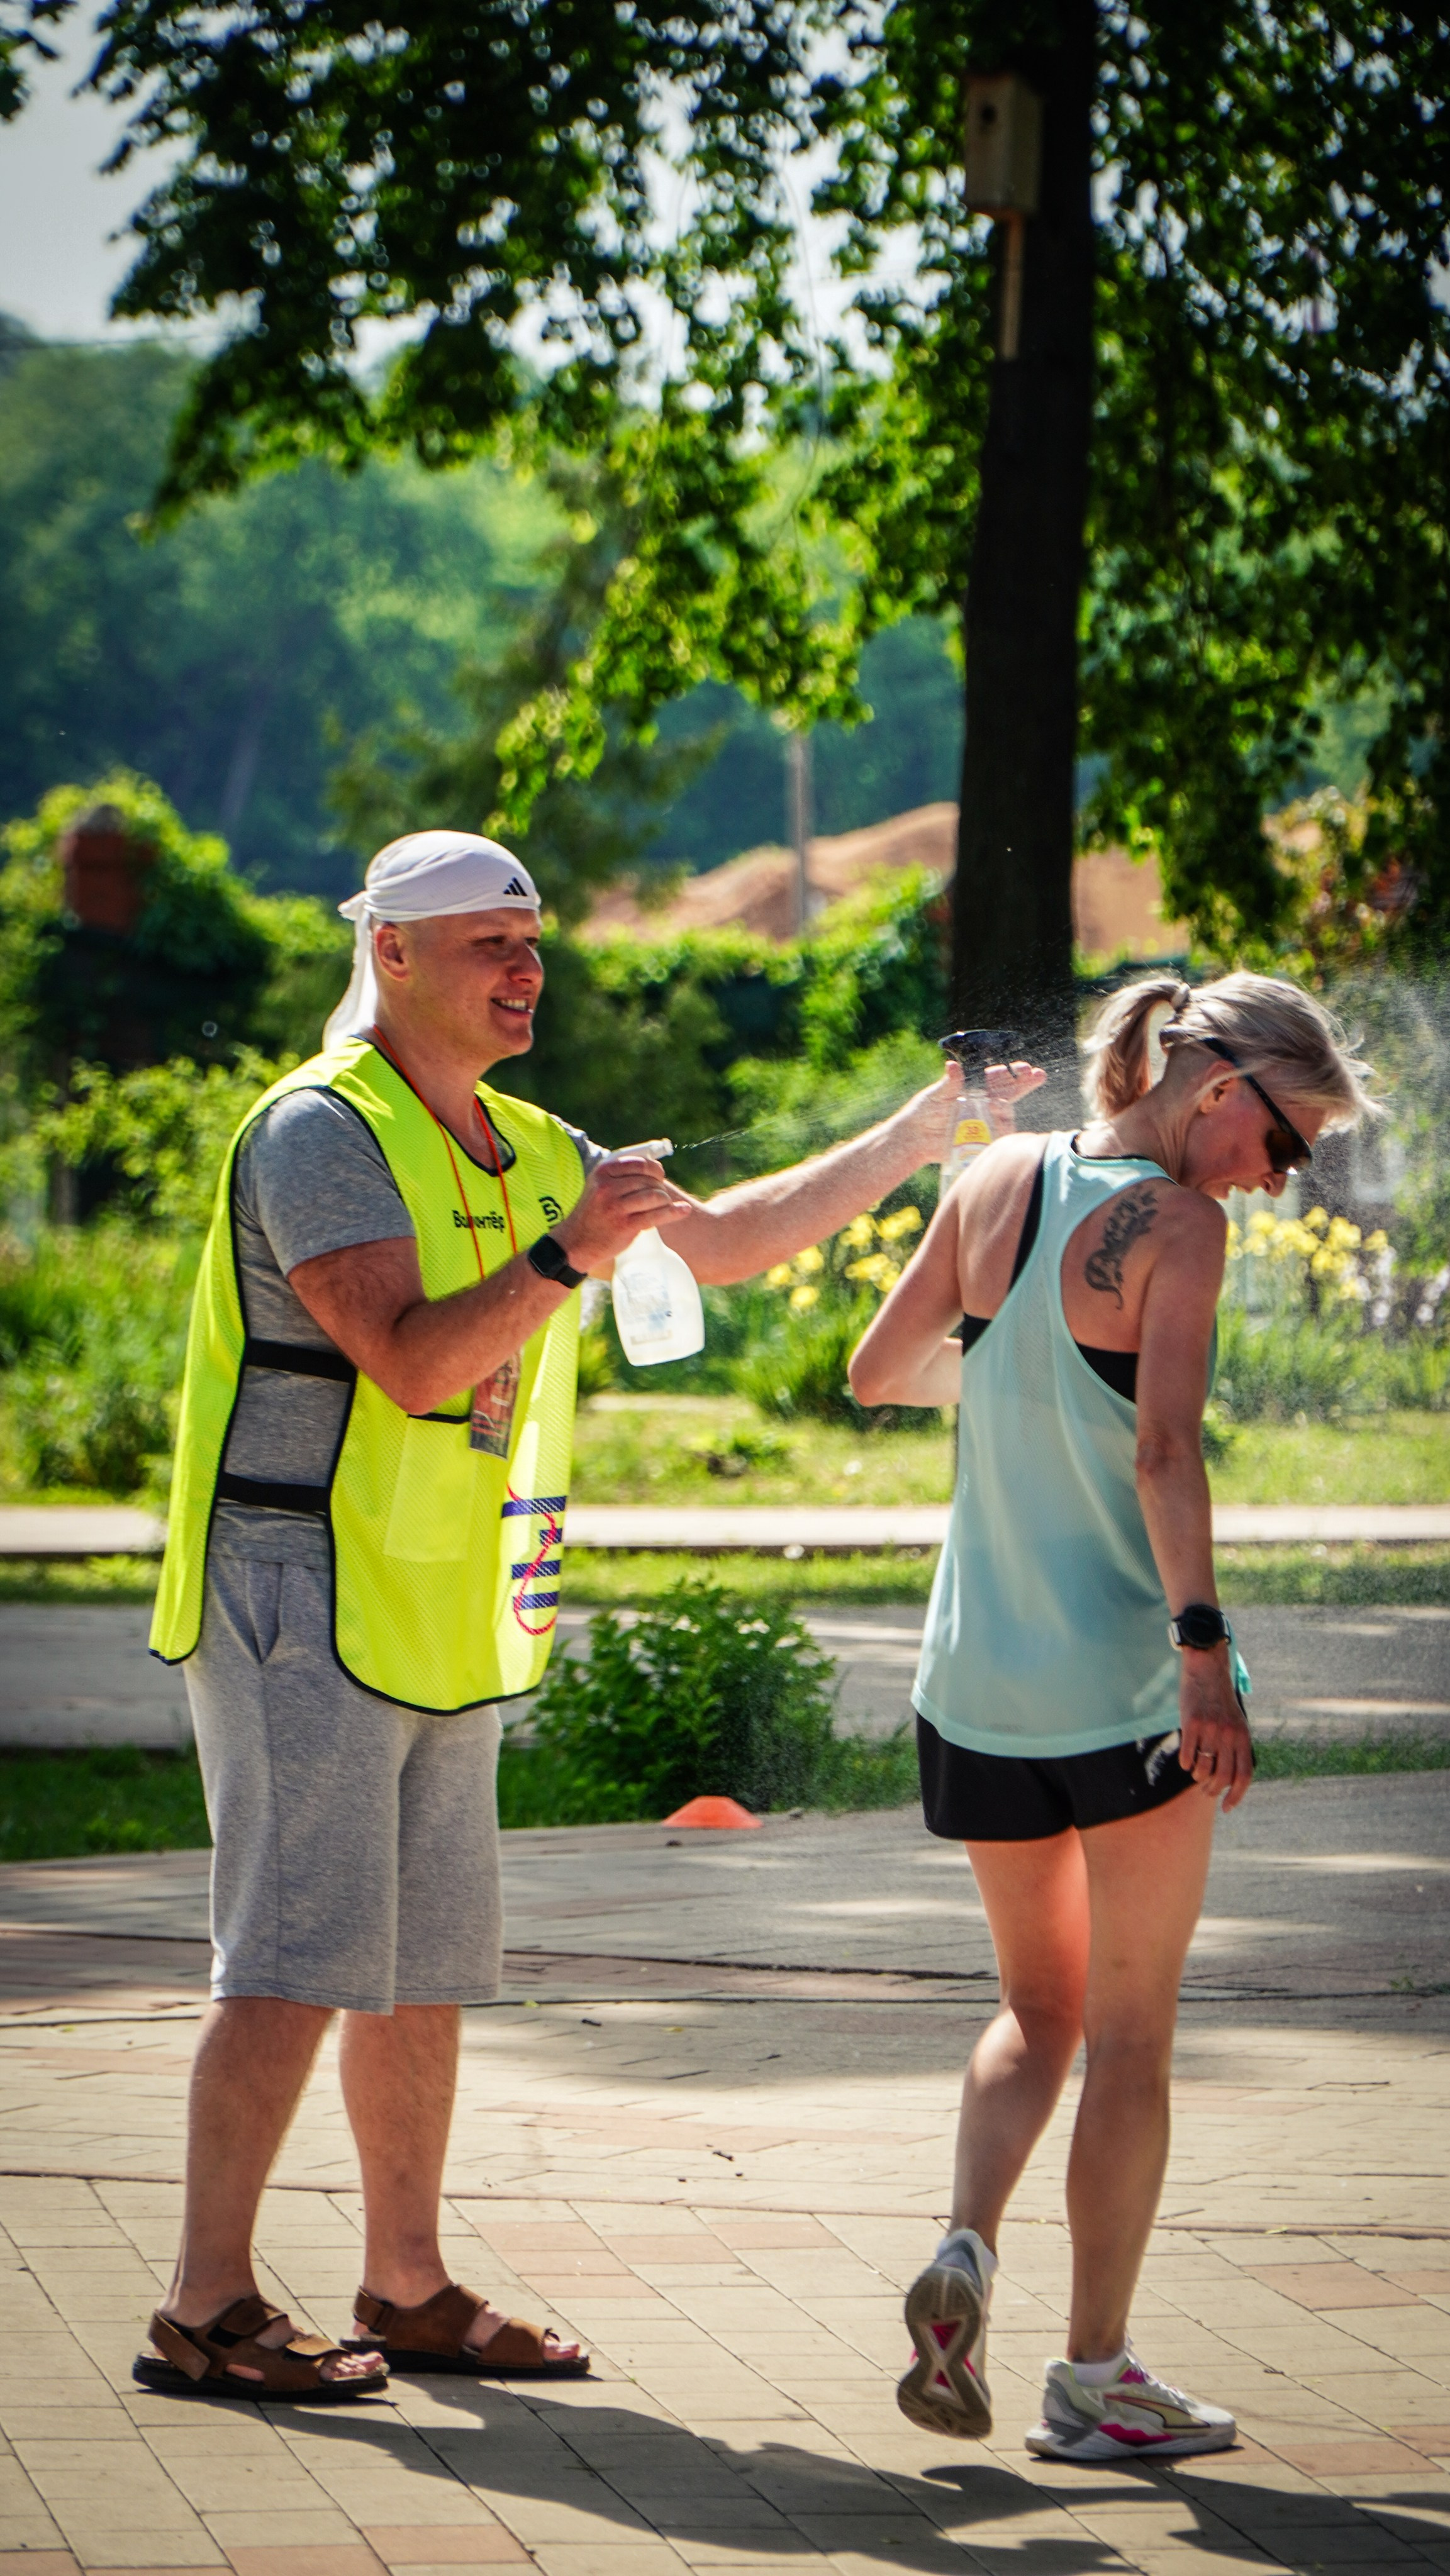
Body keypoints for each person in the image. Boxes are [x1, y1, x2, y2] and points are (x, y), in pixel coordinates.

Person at [137, 828, 1020, 2402]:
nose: (523, 967)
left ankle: (405, 2284)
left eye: (531, 940)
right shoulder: (317, 1129)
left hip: (436, 1595)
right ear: (391, 955)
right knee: (288, 1948)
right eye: (488, 942)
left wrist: (923, 1129)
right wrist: (567, 1252)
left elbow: (730, 1243)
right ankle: (206, 2303)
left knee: (415, 1958)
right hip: (297, 1583)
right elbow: (406, 1358)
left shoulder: (529, 1139)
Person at [849, 970, 1375, 2464]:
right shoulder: (1184, 1226)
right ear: (1219, 1087)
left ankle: (963, 2244)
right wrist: (1204, 1654)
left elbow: (877, 1372)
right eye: (1286, 1142)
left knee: (1035, 2010)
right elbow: (1162, 1450)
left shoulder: (996, 1174)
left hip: (974, 1688)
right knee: (1131, 2036)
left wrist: (1015, 1380)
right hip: (1121, 1685)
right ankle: (1093, 2379)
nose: (1280, 1180)